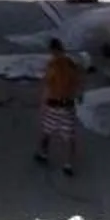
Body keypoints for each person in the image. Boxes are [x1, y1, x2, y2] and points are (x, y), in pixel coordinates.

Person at [37, 37, 83, 176]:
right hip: (67, 105)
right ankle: (68, 164)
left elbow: (47, 87)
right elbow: (78, 83)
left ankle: (44, 154)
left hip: (54, 104)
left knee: (47, 130)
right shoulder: (71, 65)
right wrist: (77, 96)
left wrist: (42, 105)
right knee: (68, 135)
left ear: (52, 51)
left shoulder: (52, 66)